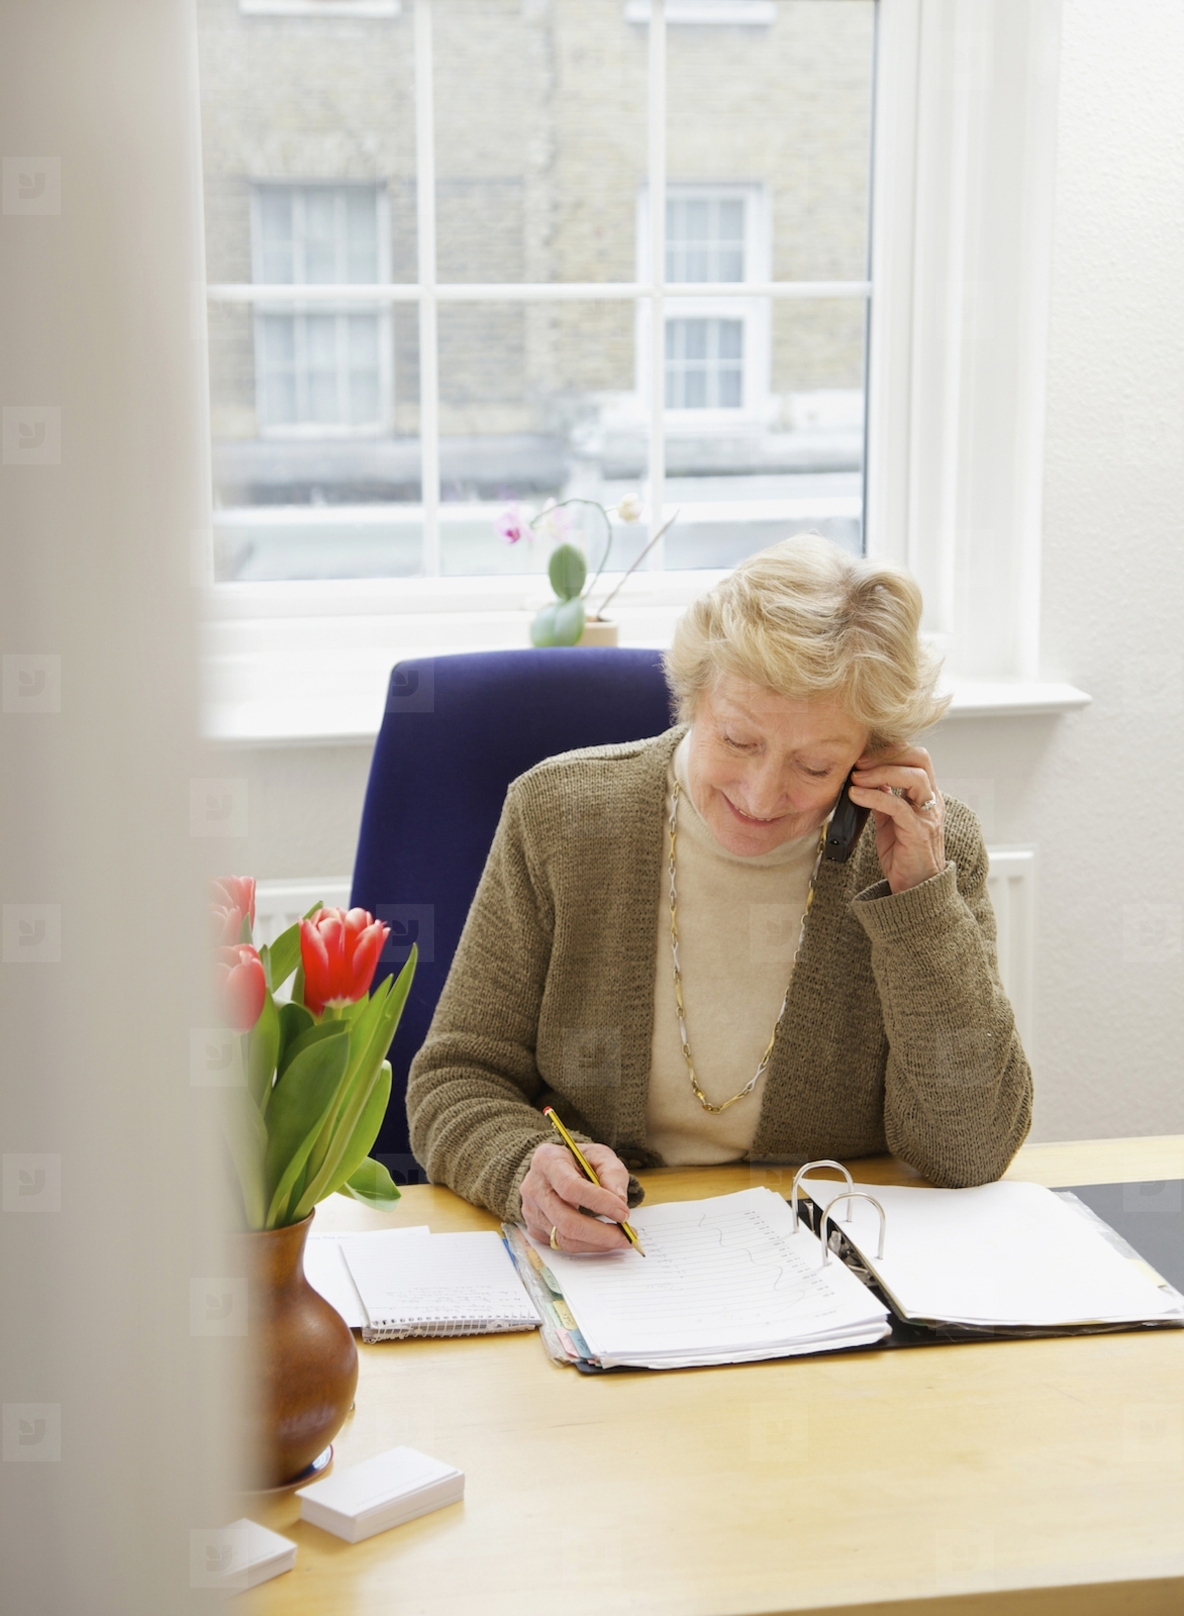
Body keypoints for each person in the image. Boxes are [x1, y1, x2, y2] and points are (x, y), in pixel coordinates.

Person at [407, 535, 1032, 1253]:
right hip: (615, 1263)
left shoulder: (927, 854)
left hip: (837, 1270)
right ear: (694, 696)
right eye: (738, 740)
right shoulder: (559, 816)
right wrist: (525, 1166)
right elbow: (455, 1080)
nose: (763, 796)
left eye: (815, 764)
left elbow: (970, 1151)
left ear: (872, 753)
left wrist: (917, 901)